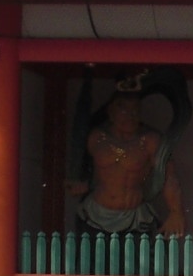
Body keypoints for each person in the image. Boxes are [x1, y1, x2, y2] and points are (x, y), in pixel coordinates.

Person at [67, 87, 185, 235]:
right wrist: (80, 182)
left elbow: (169, 176)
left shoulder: (150, 140)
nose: (130, 115)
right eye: (123, 109)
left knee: (140, 256)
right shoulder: (96, 137)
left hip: (134, 216)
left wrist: (176, 212)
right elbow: (83, 167)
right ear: (110, 111)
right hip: (95, 214)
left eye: (135, 109)